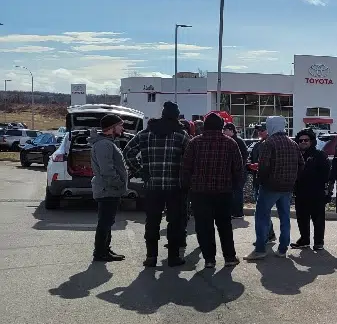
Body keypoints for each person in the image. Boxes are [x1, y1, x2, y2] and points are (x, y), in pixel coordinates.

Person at [123, 101, 191, 268]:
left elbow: (127, 152)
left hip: (152, 186)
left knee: (152, 221)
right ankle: (173, 257)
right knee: (174, 222)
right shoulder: (181, 135)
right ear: (176, 115)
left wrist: (139, 171)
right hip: (175, 187)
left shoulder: (145, 134)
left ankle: (151, 257)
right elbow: (190, 160)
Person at [180, 112, 244, 268]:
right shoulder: (230, 143)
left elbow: (186, 168)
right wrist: (236, 187)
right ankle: (229, 257)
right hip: (223, 191)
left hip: (199, 192)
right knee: (224, 225)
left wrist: (186, 187)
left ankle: (209, 259)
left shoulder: (194, 143)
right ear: (221, 126)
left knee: (204, 226)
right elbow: (238, 169)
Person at [245, 116, 304, 261]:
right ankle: (282, 249)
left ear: (271, 126)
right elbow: (301, 164)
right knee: (285, 218)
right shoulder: (293, 143)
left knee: (261, 216)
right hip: (287, 187)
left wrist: (261, 180)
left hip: (270, 187)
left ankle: (260, 249)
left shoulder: (269, 143)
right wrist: (292, 179)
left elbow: (264, 166)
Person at [90, 114, 129, 262]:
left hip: (110, 189)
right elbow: (107, 170)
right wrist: (119, 183)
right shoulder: (104, 145)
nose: (122, 128)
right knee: (105, 222)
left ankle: (105, 249)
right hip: (107, 189)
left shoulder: (107, 143)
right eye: (120, 125)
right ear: (111, 128)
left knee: (108, 221)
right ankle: (100, 252)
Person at [291, 128, 332, 250]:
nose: (303, 142)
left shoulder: (320, 155)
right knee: (302, 218)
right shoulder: (295, 155)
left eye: (306, 140)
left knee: (318, 219)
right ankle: (304, 240)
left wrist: (327, 191)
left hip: (317, 192)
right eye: (300, 140)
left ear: (311, 141)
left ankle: (319, 242)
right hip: (300, 192)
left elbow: (327, 175)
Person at [223, 122, 249, 218]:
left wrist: (239, 166)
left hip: (239, 172)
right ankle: (233, 212)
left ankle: (238, 213)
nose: (223, 132)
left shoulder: (238, 141)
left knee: (237, 192)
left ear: (231, 130)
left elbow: (245, 155)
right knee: (233, 192)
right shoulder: (229, 140)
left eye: (225, 130)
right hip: (232, 172)